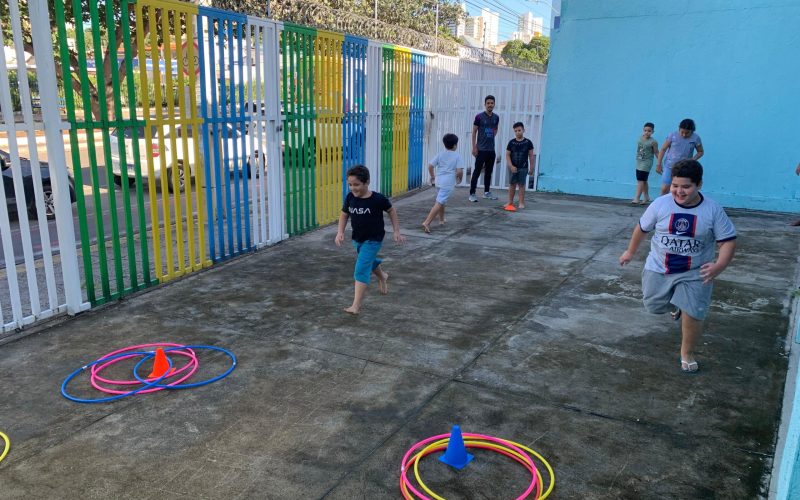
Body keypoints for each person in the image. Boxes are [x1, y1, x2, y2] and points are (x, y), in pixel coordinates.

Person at [619, 159, 737, 373]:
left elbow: (727, 241)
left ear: (698, 185)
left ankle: (687, 353)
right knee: (653, 305)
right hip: (659, 266)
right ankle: (676, 305)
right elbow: (642, 229)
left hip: (696, 272)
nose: (679, 191)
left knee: (694, 312)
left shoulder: (712, 210)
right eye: (675, 185)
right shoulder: (660, 204)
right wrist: (630, 252)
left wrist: (719, 265)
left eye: (686, 186)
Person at [335, 165, 406, 314]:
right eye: (350, 184)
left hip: (374, 239)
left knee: (361, 268)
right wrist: (340, 232)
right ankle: (382, 276)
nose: (353, 188)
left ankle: (355, 306)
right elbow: (344, 214)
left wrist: (396, 231)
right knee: (368, 260)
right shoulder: (350, 198)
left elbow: (391, 211)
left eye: (356, 185)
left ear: (367, 182)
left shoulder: (377, 199)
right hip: (358, 238)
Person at [423, 133, 464, 233]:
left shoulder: (440, 154)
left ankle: (441, 220)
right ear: (455, 145)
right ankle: (427, 222)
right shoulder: (457, 156)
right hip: (448, 183)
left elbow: (430, 166)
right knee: (439, 202)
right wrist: (460, 179)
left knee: (442, 201)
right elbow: (459, 171)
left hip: (438, 181)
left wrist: (433, 176)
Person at [656, 118, 704, 196]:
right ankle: (661, 205)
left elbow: (700, 152)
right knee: (665, 188)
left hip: (684, 168)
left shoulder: (696, 138)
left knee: (679, 189)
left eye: (687, 133)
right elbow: (663, 149)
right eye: (682, 132)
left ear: (692, 131)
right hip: (669, 166)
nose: (684, 135)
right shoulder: (672, 135)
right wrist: (658, 164)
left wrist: (692, 159)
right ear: (679, 129)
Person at [469, 95, 500, 202]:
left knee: (488, 172)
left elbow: (495, 130)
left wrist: (490, 138)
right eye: (488, 103)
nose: (490, 105)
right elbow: (474, 132)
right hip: (481, 149)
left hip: (491, 150)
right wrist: (474, 147)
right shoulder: (479, 117)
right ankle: (472, 193)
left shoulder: (496, 117)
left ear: (494, 104)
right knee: (477, 171)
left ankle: (487, 192)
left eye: (492, 103)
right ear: (485, 104)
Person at [504, 122, 535, 211]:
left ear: (523, 130)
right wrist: (510, 166)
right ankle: (510, 202)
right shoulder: (511, 142)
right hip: (513, 167)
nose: (518, 132)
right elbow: (507, 155)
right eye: (516, 131)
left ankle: (521, 202)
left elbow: (531, 156)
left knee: (521, 185)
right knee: (512, 184)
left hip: (523, 167)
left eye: (519, 130)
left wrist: (532, 167)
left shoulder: (528, 142)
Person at [631, 122, 659, 205]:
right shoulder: (640, 138)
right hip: (639, 161)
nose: (647, 132)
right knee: (644, 180)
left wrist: (659, 162)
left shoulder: (653, 142)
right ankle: (646, 197)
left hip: (647, 163)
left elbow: (656, 152)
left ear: (653, 132)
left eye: (649, 131)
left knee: (640, 180)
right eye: (645, 130)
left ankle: (637, 198)